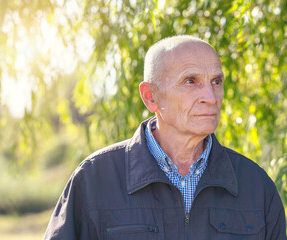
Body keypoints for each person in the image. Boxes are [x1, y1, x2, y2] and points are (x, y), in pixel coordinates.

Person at [43, 35, 287, 239]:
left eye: (216, 81)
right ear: (150, 96)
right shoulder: (94, 179)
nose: (211, 97)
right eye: (191, 81)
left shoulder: (257, 186)